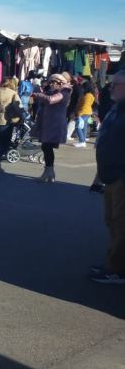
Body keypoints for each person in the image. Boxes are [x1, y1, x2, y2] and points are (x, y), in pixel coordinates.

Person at [91, 70, 125, 284]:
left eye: (115, 85)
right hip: (110, 175)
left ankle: (117, 270)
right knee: (112, 221)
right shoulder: (117, 108)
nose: (110, 88)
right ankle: (112, 262)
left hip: (121, 176)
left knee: (121, 224)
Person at [31, 73, 72, 183]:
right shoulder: (52, 91)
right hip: (47, 123)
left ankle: (49, 172)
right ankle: (49, 172)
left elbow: (51, 100)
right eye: (51, 82)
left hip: (55, 124)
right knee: (45, 147)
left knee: (47, 147)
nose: (53, 84)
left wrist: (39, 95)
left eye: (56, 82)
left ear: (62, 83)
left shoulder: (64, 92)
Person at [74, 80, 95, 148]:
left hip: (83, 113)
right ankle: (83, 141)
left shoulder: (88, 95)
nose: (82, 88)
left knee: (78, 127)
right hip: (87, 112)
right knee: (84, 127)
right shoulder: (89, 95)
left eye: (83, 87)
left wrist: (79, 114)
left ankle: (82, 141)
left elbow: (85, 105)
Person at [65, 74, 83, 141]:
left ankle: (67, 134)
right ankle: (67, 135)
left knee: (70, 120)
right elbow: (79, 98)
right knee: (72, 121)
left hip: (70, 106)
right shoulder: (78, 88)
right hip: (74, 107)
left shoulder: (73, 88)